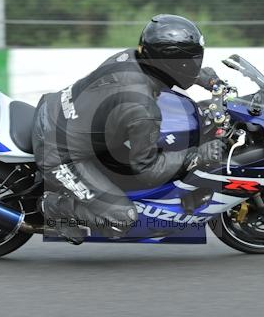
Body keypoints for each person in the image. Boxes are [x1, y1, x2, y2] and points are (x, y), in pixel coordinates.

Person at [32, 14, 226, 244]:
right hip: (59, 153)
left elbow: (166, 71)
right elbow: (146, 168)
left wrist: (205, 79)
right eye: (192, 59)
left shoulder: (132, 57)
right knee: (122, 219)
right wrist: (197, 155)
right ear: (175, 62)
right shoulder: (141, 108)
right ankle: (54, 206)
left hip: (57, 112)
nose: (196, 63)